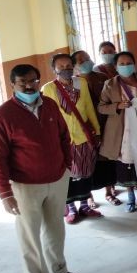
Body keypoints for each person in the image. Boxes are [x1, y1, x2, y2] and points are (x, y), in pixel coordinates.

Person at [0, 64, 83, 273]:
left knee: (55, 229)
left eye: (33, 80)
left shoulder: (49, 105)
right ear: (13, 85)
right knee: (30, 235)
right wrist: (4, 193)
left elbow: (64, 136)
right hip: (25, 185)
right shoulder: (2, 116)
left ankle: (59, 270)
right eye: (23, 83)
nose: (30, 86)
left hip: (57, 178)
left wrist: (67, 164)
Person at [41, 54, 102, 224]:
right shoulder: (49, 88)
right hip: (63, 139)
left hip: (84, 136)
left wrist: (96, 129)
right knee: (67, 175)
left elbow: (89, 107)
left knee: (85, 172)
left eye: (68, 65)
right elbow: (50, 115)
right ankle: (71, 209)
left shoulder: (81, 82)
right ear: (54, 69)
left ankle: (84, 205)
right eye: (61, 66)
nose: (66, 68)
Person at [98, 52, 137, 213]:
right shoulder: (109, 84)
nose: (126, 66)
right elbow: (101, 107)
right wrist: (117, 106)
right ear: (116, 67)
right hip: (121, 130)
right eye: (122, 64)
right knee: (126, 164)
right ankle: (130, 197)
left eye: (129, 63)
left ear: (135, 63)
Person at [72, 50, 116, 209]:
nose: (86, 62)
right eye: (80, 61)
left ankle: (109, 191)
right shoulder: (74, 84)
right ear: (74, 66)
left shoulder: (102, 78)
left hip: (106, 123)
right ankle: (89, 196)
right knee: (89, 162)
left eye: (87, 58)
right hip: (85, 128)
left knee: (107, 158)